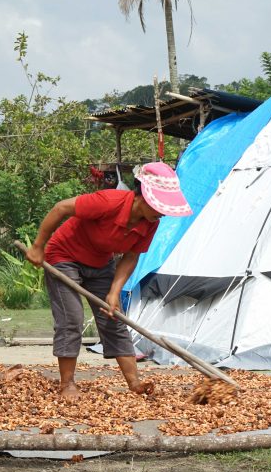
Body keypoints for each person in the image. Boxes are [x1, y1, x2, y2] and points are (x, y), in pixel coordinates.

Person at [25, 162, 192, 400]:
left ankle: (134, 383)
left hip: (101, 264)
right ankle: (67, 384)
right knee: (71, 318)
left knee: (114, 317)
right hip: (64, 255)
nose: (162, 213)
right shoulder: (108, 202)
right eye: (159, 206)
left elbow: (131, 256)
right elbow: (61, 208)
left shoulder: (150, 223)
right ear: (143, 196)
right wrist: (38, 246)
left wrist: (114, 291)